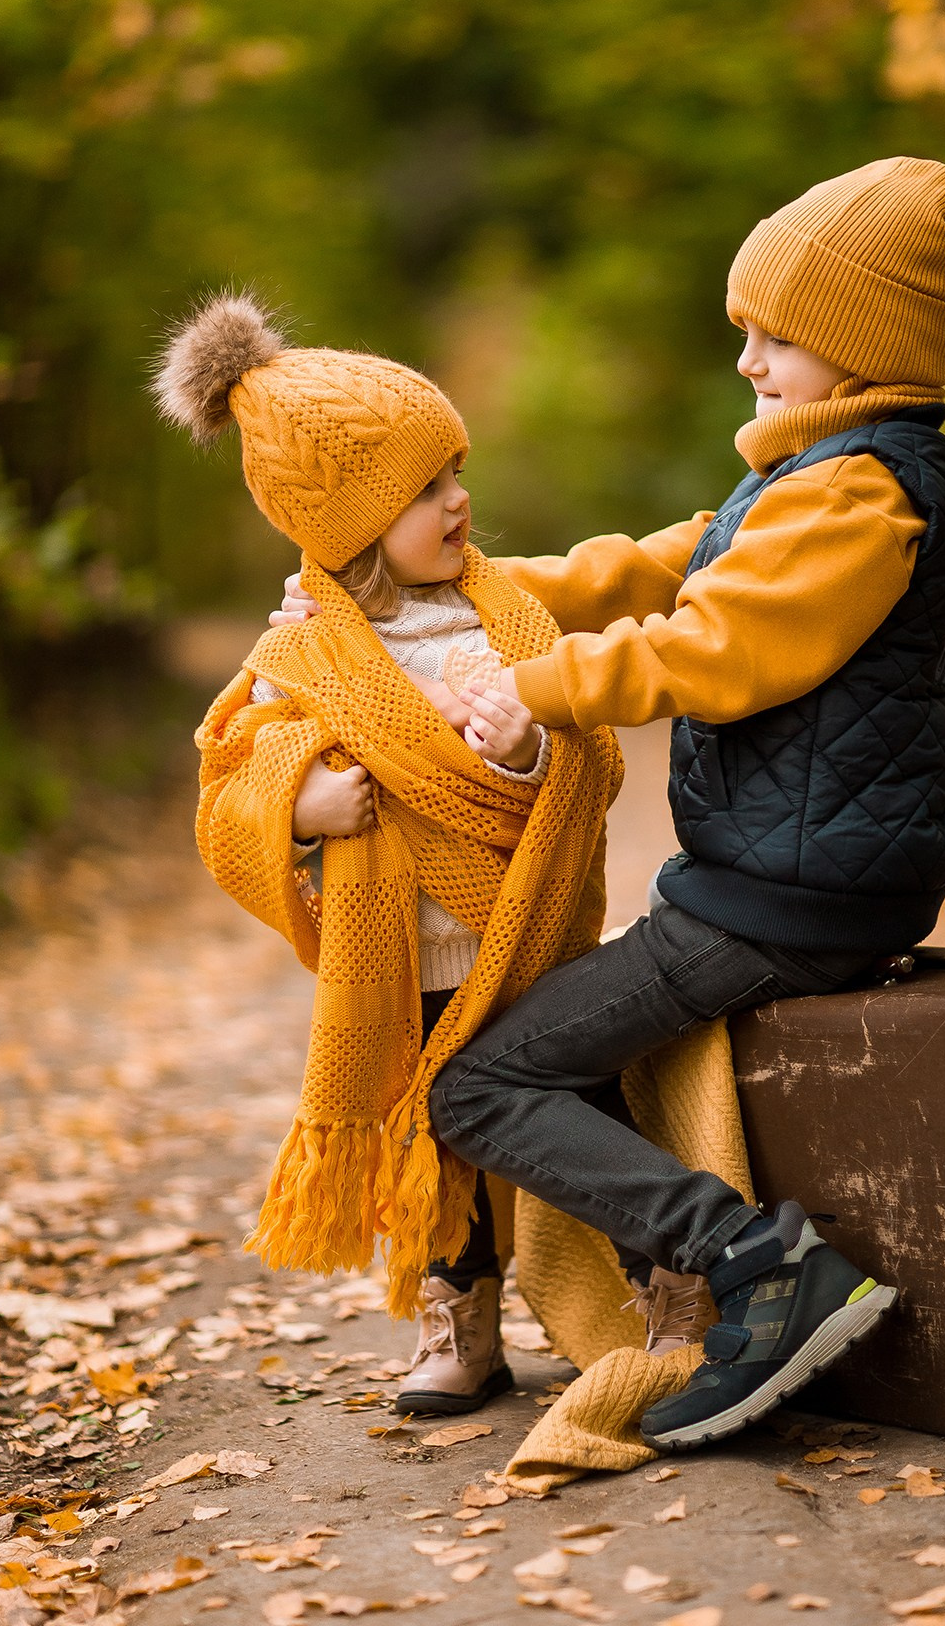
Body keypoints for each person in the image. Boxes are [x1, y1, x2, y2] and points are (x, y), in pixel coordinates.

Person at [273, 155, 945, 1453]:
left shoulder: (860, 498)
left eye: (781, 338)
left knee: (475, 1087)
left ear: (866, 349)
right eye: (747, 334)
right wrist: (447, 600)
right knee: (548, 1045)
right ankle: (672, 1279)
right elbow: (652, 564)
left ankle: (764, 1268)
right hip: (779, 870)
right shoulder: (814, 479)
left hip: (790, 891)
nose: (751, 364)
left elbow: (718, 642)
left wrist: (539, 687)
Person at [153, 294, 624, 1416]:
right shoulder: (304, 648)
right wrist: (303, 808)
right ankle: (458, 1322)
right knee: (439, 1146)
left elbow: (584, 760)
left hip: (527, 925)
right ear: (351, 525)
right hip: (406, 950)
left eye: (455, 471)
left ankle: (648, 1294)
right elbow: (233, 780)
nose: (457, 501)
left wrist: (519, 757)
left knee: (588, 1106)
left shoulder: (500, 615)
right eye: (423, 490)